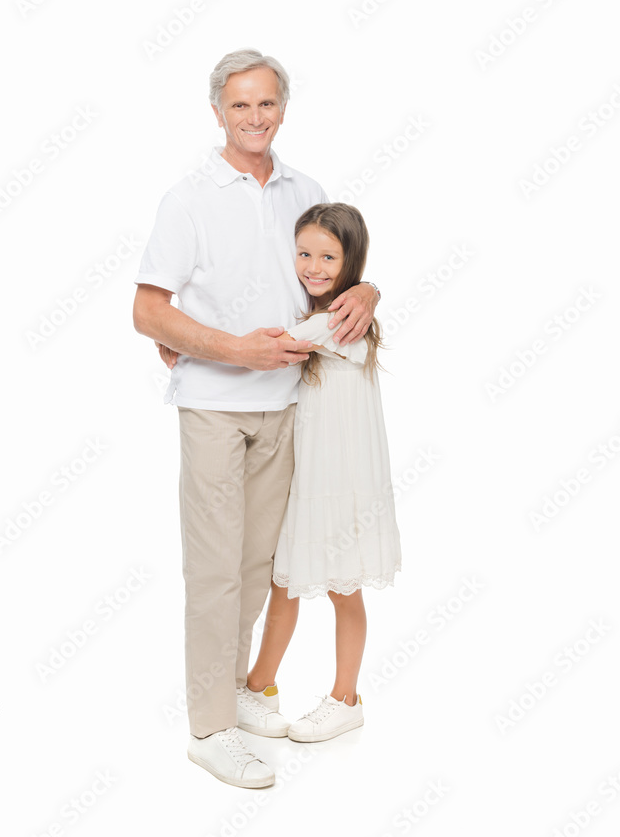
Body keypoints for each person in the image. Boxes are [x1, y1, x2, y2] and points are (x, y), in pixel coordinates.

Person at [133, 48, 381, 789]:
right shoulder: (188, 198)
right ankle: (209, 728)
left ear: (282, 108)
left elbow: (334, 267)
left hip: (288, 410)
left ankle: (237, 694)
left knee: (257, 568)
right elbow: (147, 309)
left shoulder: (304, 189)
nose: (254, 117)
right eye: (239, 105)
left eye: (266, 103)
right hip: (214, 407)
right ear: (217, 112)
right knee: (213, 572)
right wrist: (226, 348)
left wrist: (372, 292)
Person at [244, 202, 402, 742]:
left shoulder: (340, 319)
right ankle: (259, 684)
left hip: (339, 482)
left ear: (350, 260)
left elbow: (274, 347)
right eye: (304, 253)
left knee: (342, 589)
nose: (313, 266)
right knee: (283, 582)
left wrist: (188, 342)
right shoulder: (325, 311)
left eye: (328, 256)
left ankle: (345, 698)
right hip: (307, 479)